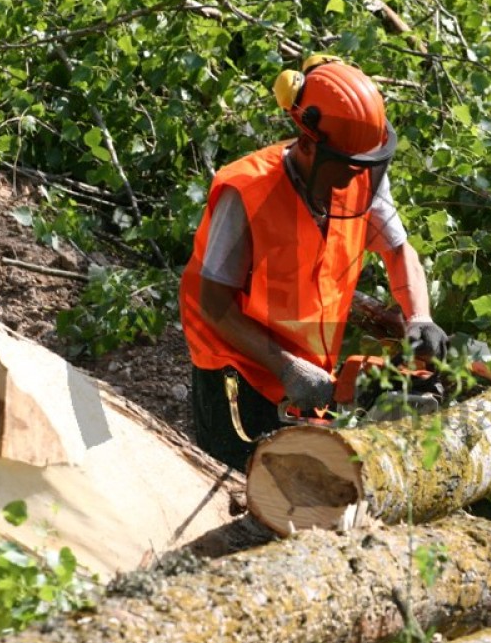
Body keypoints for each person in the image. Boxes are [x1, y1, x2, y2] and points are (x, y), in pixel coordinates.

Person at [179, 56, 448, 470]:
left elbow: (398, 250)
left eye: (365, 167)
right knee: (234, 475)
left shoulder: (358, 172)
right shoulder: (247, 194)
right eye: (348, 168)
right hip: (236, 364)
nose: (355, 180)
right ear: (308, 145)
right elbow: (213, 302)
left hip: (308, 360)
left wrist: (420, 318)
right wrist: (286, 368)